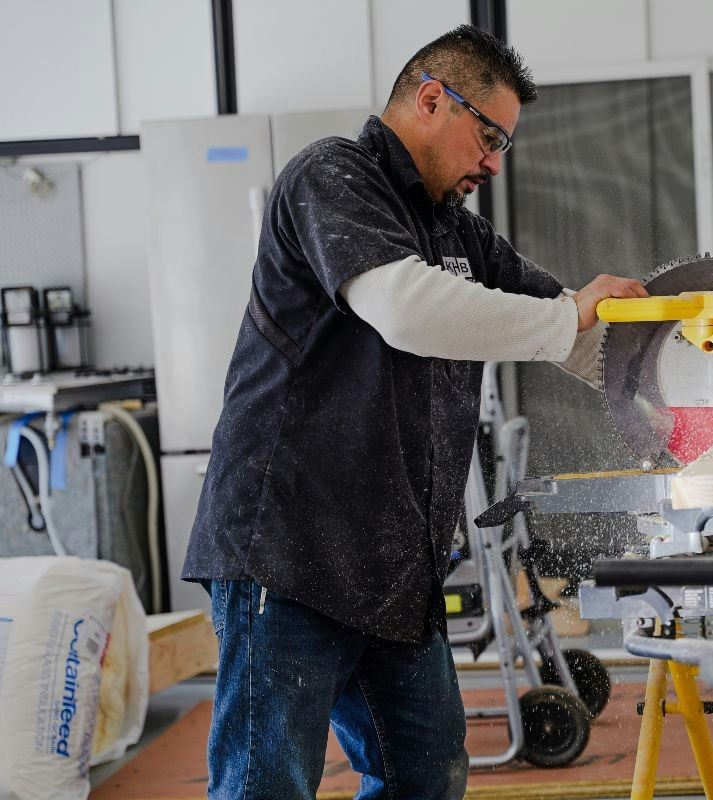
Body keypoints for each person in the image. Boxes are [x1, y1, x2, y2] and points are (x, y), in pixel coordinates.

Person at [181, 24, 647, 800]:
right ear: (433, 98)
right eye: (488, 135)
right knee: (267, 786)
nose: (494, 163)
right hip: (289, 550)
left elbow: (569, 334)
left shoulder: (456, 232)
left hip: (392, 567)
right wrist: (571, 314)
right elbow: (405, 308)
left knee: (425, 776)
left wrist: (687, 385)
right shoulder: (333, 176)